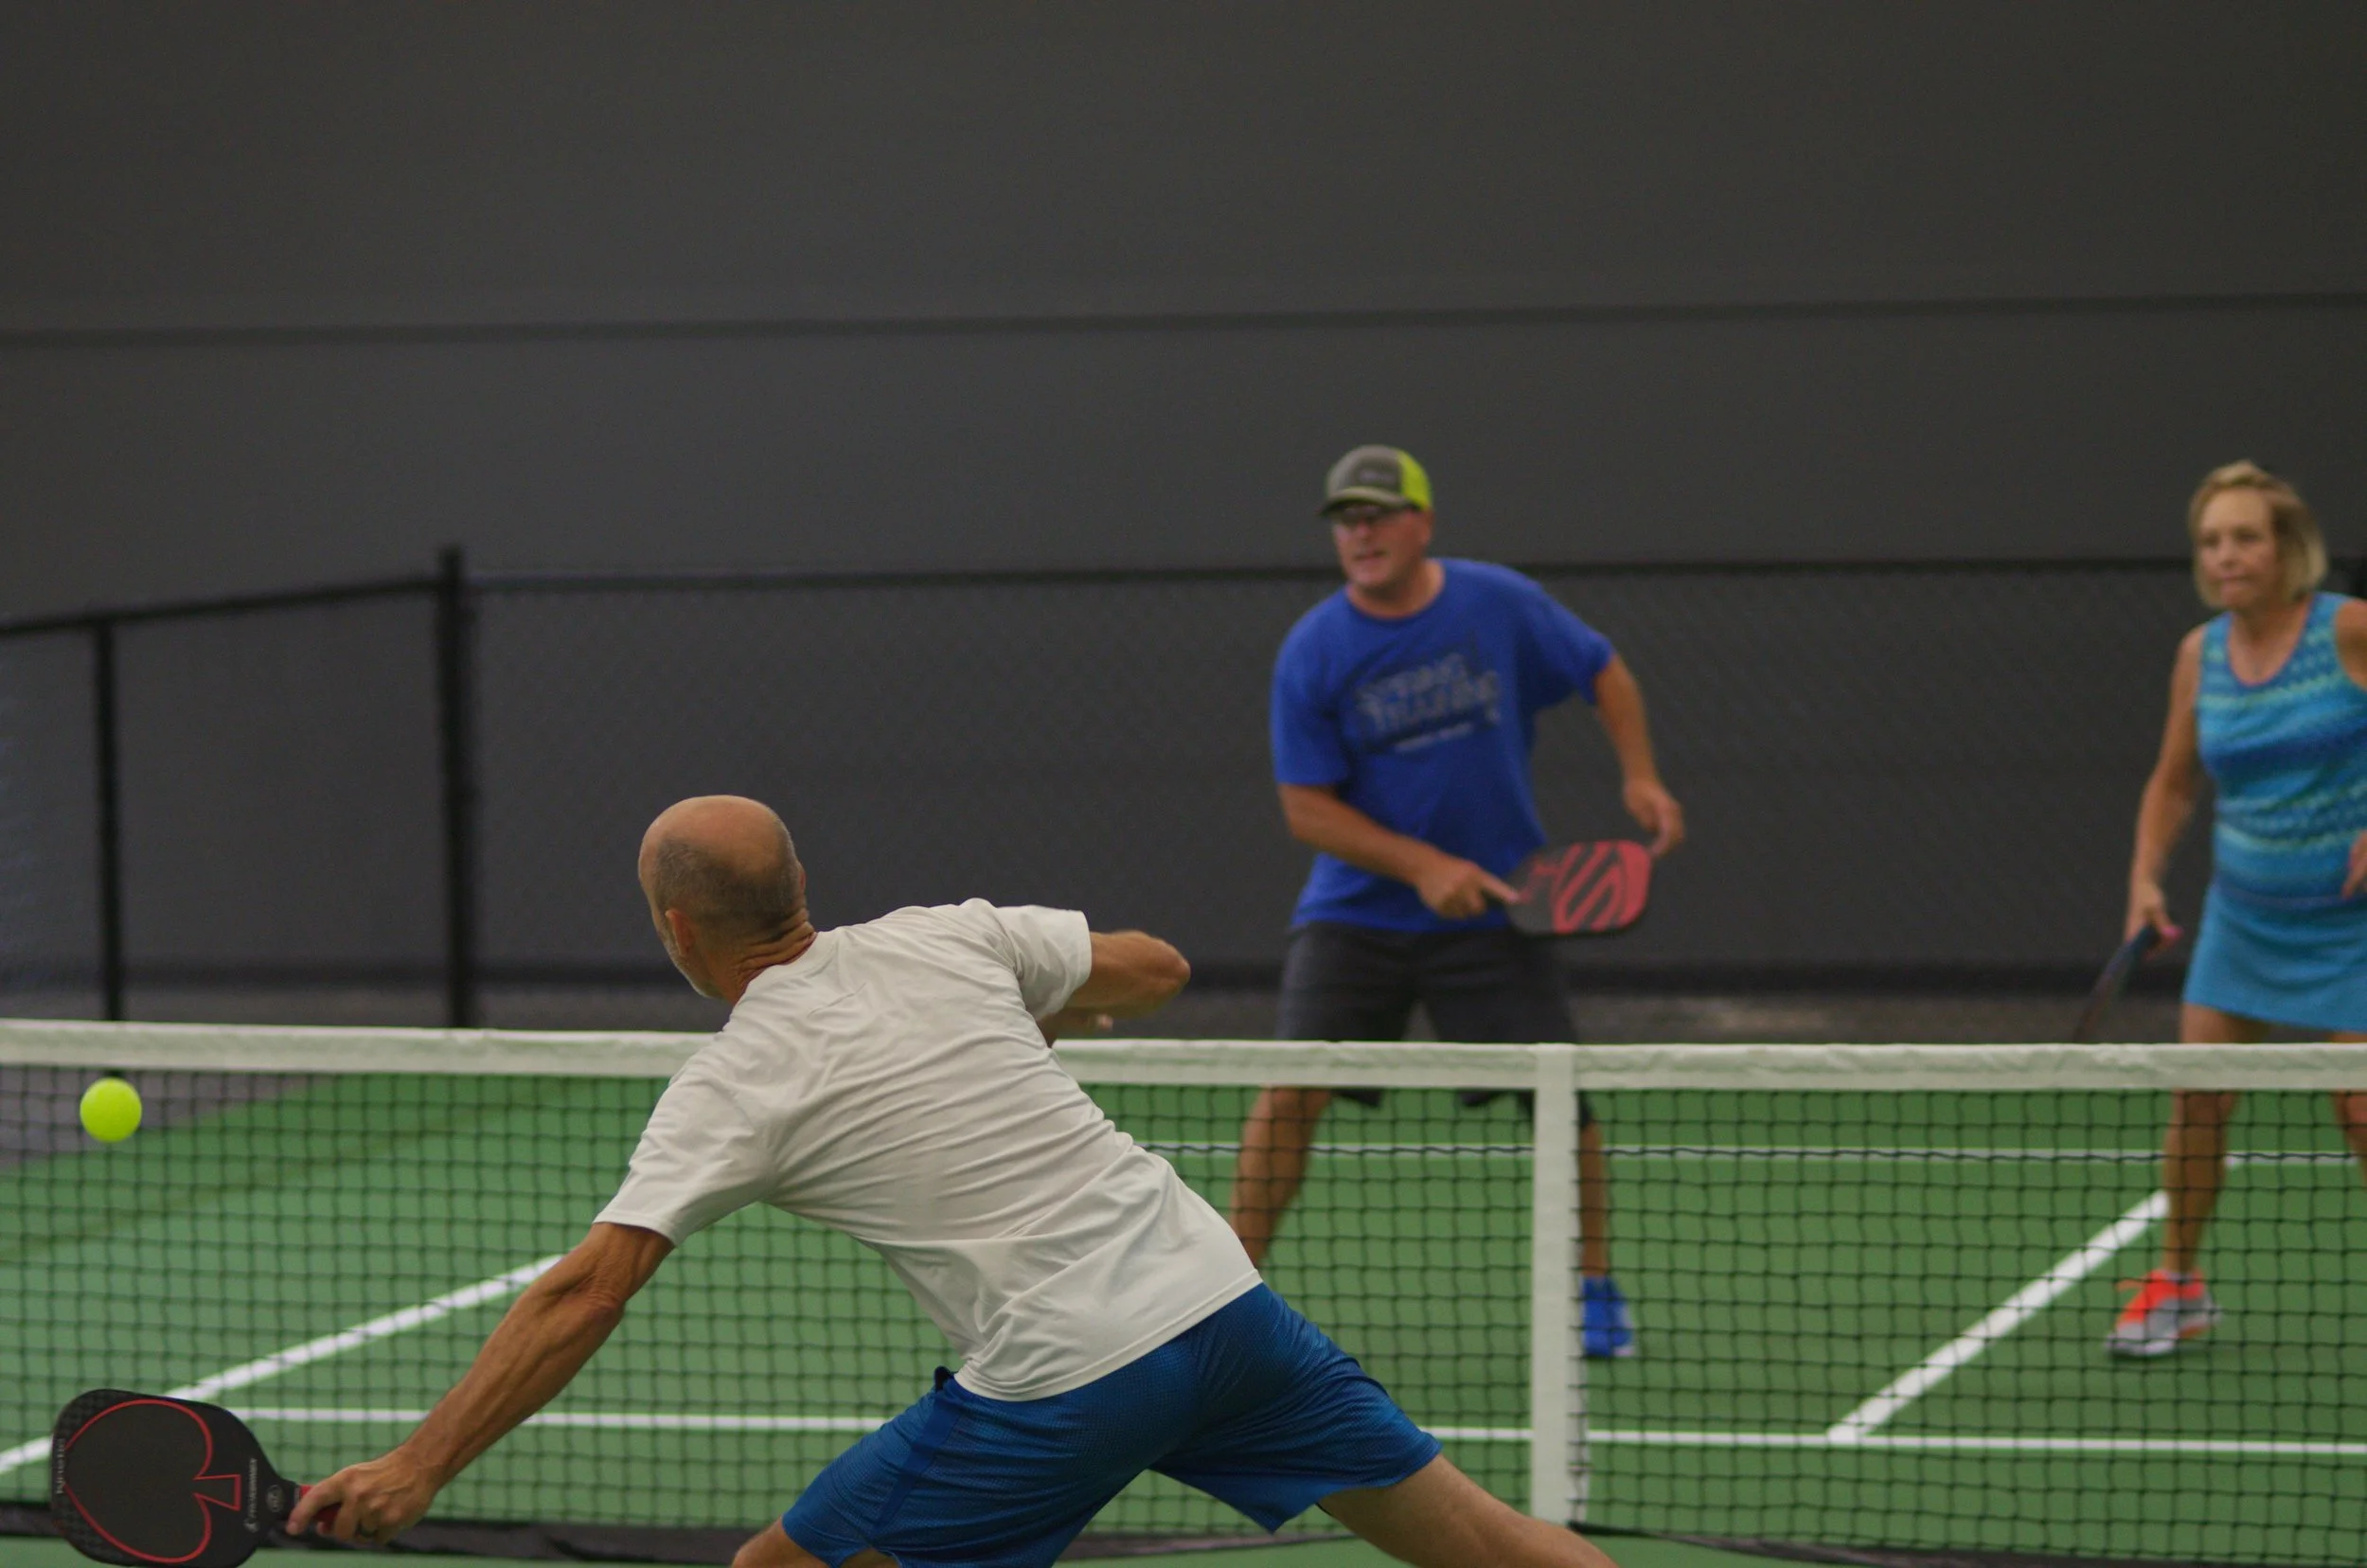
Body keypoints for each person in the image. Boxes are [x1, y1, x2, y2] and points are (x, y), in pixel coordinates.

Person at [287, 795, 1621, 1568]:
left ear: (677, 931)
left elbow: (586, 1293)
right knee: (1501, 1552)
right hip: (1221, 1300)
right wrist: (1039, 1012)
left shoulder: (736, 1079)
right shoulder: (950, 940)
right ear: (802, 888)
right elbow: (1154, 966)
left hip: (1070, 1370)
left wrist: (417, 1465)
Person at [1227, 446, 1684, 1361]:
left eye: (1376, 515)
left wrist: (1641, 776)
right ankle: (1227, 1296)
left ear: (1421, 523)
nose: (1359, 533)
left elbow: (1603, 670)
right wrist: (1423, 865)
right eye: (1345, 520)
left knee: (1561, 1099)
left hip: (1499, 911)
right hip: (1357, 915)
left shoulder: (1498, 604)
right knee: (1287, 1093)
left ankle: (1596, 1289)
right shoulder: (1314, 650)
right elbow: (1305, 809)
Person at [2114, 461, 2367, 1358]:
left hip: (2353, 927)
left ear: (2286, 547)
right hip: (2246, 919)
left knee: (2360, 1109)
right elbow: (2175, 782)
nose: (2227, 556)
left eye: (2246, 537)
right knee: (2198, 1101)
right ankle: (2179, 1283)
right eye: (2213, 541)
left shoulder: (2348, 630)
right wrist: (2147, 877)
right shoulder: (2201, 653)